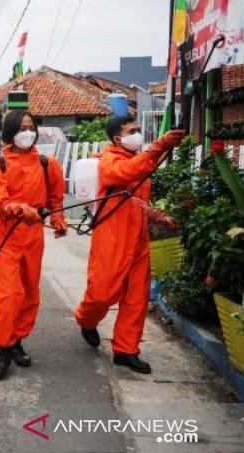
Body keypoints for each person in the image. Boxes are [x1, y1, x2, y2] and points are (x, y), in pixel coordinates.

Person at [74, 118, 185, 374]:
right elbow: (125, 174)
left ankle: (125, 350)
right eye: (131, 131)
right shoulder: (110, 160)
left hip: (137, 238)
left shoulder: (137, 160)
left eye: (137, 130)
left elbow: (138, 200)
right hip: (112, 237)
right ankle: (86, 319)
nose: (137, 135)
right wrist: (161, 145)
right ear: (117, 139)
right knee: (102, 293)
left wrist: (157, 217)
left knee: (136, 297)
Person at [0, 110, 66, 380]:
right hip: (5, 236)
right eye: (21, 128)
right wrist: (26, 210)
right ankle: (4, 348)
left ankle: (17, 339)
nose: (27, 132)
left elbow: (56, 196)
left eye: (30, 127)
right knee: (8, 294)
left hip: (33, 237)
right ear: (9, 132)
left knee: (30, 292)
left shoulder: (47, 163)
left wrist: (59, 219)